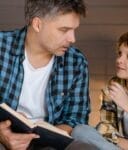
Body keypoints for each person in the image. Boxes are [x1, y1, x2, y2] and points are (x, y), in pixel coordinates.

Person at [0, 0, 93, 149]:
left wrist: (42, 138)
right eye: (64, 30)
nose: (72, 39)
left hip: (48, 143)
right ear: (37, 24)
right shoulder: (1, 46)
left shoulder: (76, 62)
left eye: (74, 30)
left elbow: (76, 118)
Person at [72, 28, 128, 150]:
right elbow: (105, 129)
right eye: (120, 53)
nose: (119, 60)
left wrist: (127, 105)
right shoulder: (113, 87)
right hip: (118, 147)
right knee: (79, 131)